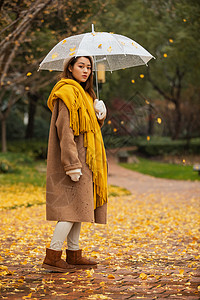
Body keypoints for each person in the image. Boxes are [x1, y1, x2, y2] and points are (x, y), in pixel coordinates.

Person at [42, 56, 108, 272]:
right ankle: (52, 256)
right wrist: (72, 164)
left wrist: (99, 115)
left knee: (80, 207)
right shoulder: (66, 92)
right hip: (73, 161)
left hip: (87, 159)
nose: (86, 70)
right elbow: (65, 129)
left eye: (89, 67)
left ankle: (74, 253)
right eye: (81, 66)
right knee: (70, 210)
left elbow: (88, 128)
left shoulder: (87, 94)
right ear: (69, 67)